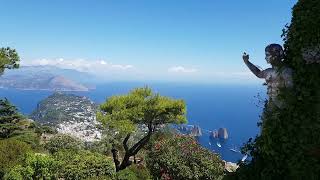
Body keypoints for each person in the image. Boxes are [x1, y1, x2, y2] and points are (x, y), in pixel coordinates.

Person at [242, 44, 293, 108]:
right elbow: (258, 73)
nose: (265, 58)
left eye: (267, 55)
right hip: (272, 105)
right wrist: (247, 62)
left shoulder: (286, 71)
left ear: (276, 55)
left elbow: (291, 92)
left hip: (284, 107)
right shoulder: (269, 71)